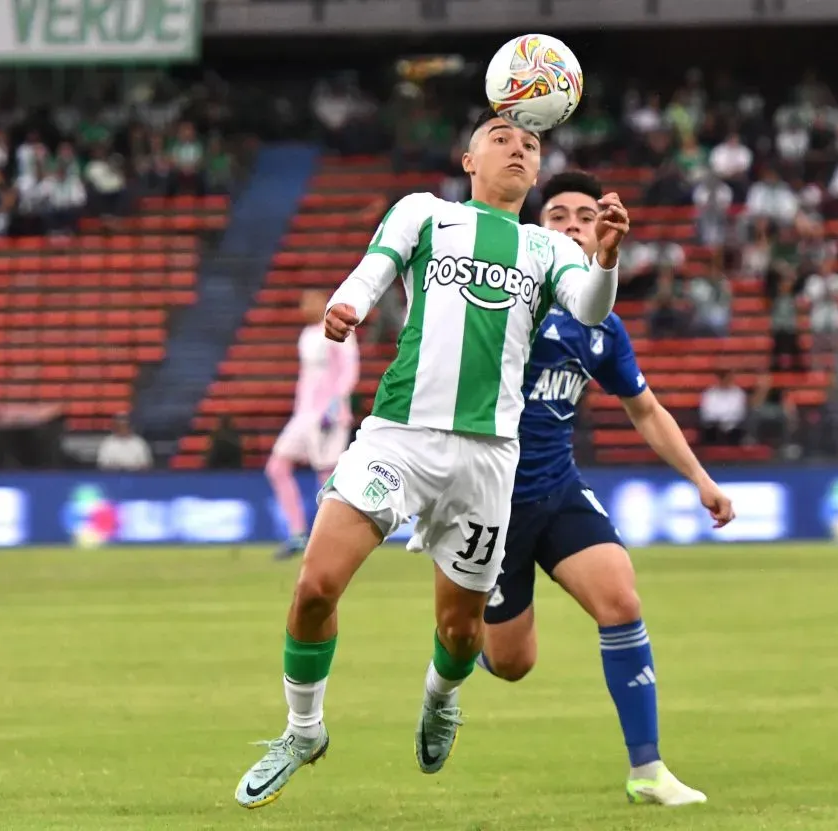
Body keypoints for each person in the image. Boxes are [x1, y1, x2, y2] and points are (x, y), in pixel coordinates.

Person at [235, 110, 624, 808]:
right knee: (316, 583)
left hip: (486, 460)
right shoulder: (425, 213)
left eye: (529, 144)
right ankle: (303, 728)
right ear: (469, 160)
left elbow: (591, 309)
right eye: (500, 138)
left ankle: (440, 696)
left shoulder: (547, 249)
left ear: (534, 173)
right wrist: (344, 307)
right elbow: (372, 269)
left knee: (460, 630)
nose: (516, 147)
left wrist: (608, 258)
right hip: (398, 437)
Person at [477, 171, 734, 807]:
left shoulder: (602, 326)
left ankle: (647, 770)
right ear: (535, 230)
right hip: (488, 503)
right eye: (557, 213)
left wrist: (700, 479)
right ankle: (458, 649)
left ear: (600, 231)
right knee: (511, 663)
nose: (570, 223)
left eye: (583, 216)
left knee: (620, 599)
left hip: (557, 489)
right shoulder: (502, 304)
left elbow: (645, 410)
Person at [267, 290, 360, 560]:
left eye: (310, 302)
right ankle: (297, 533)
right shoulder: (307, 335)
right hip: (304, 415)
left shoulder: (339, 332)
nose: (304, 306)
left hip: (328, 415)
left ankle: (330, 538)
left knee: (326, 476)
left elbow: (348, 370)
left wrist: (334, 405)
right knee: (277, 466)